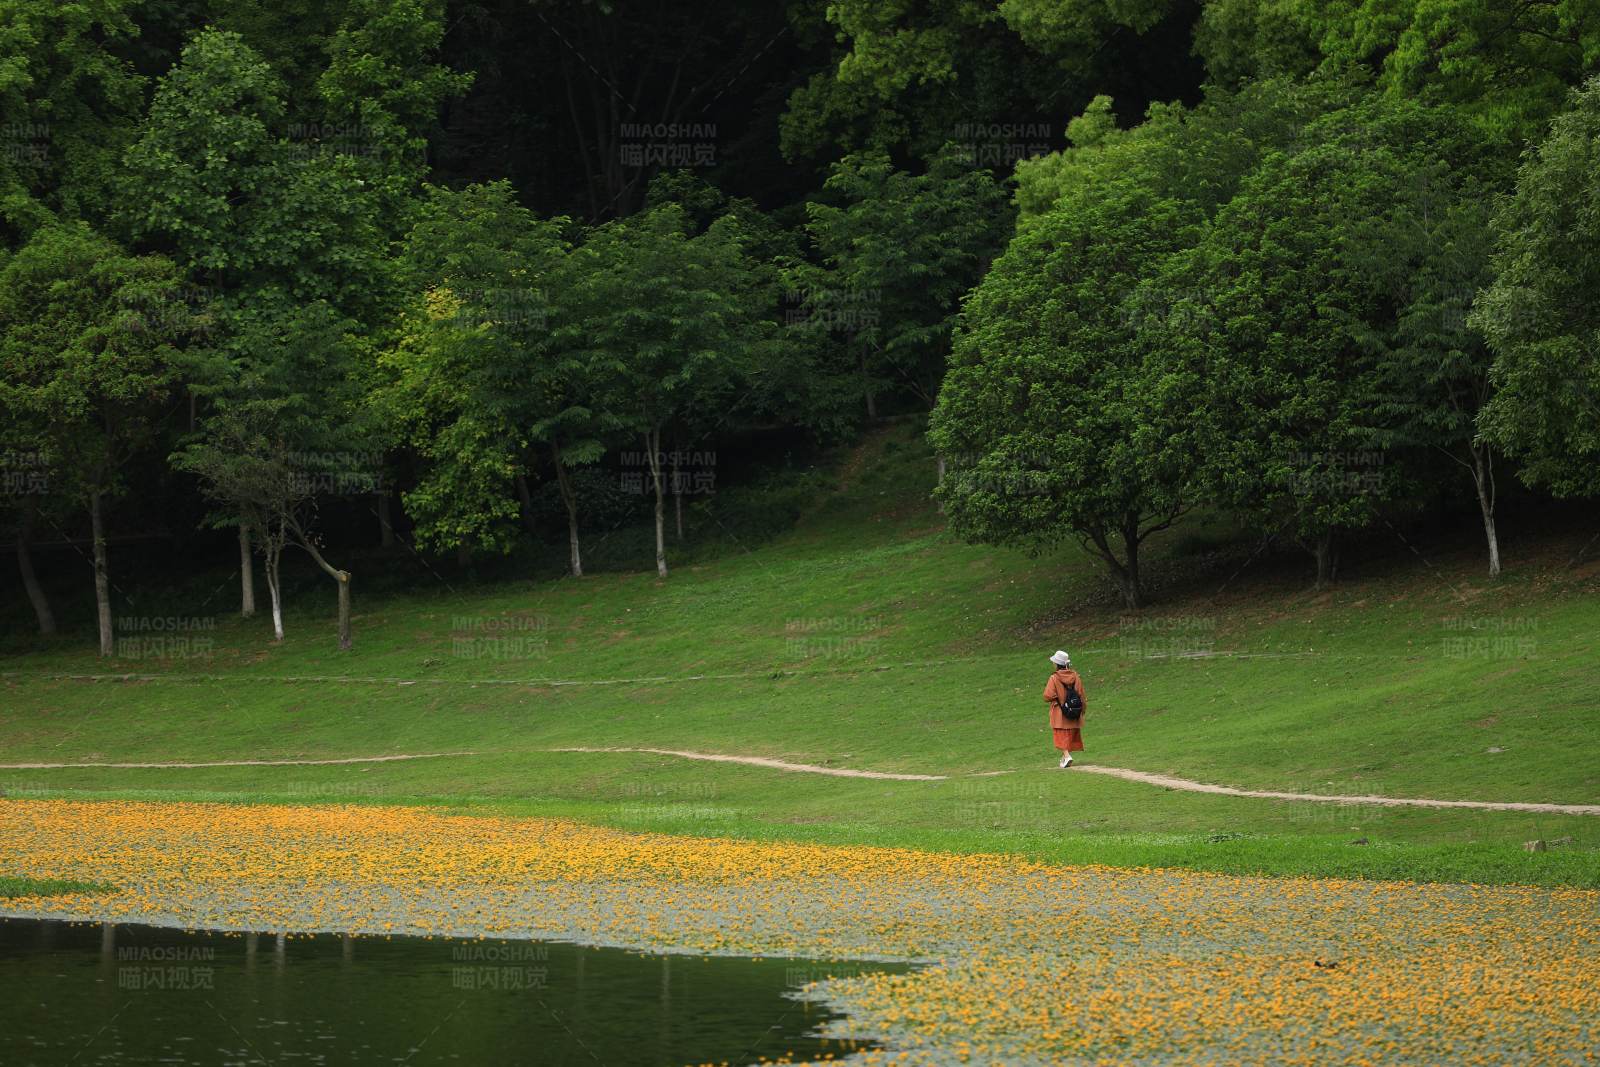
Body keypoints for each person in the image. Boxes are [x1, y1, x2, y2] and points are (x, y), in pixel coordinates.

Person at [1043, 650, 1086, 768]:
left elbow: (1047, 695)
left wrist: (1058, 697)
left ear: (1057, 664)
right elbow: (1081, 694)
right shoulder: (1075, 676)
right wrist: (1083, 710)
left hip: (1059, 712)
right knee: (1070, 734)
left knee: (1060, 735)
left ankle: (1067, 756)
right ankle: (1065, 757)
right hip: (1074, 711)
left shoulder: (1054, 678)